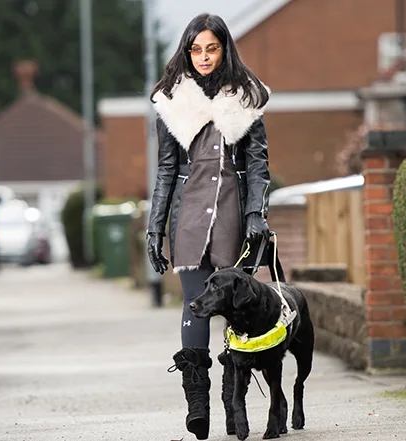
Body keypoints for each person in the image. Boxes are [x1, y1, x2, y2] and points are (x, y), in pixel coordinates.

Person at [145, 13, 271, 440]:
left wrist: (256, 215)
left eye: (211, 48)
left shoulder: (247, 98)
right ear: (186, 51)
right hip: (189, 215)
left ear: (224, 49)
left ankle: (233, 407)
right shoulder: (170, 101)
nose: (203, 57)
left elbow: (258, 166)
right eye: (196, 49)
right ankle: (197, 406)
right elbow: (165, 172)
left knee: (237, 311)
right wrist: (154, 229)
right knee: (195, 303)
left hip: (233, 213)